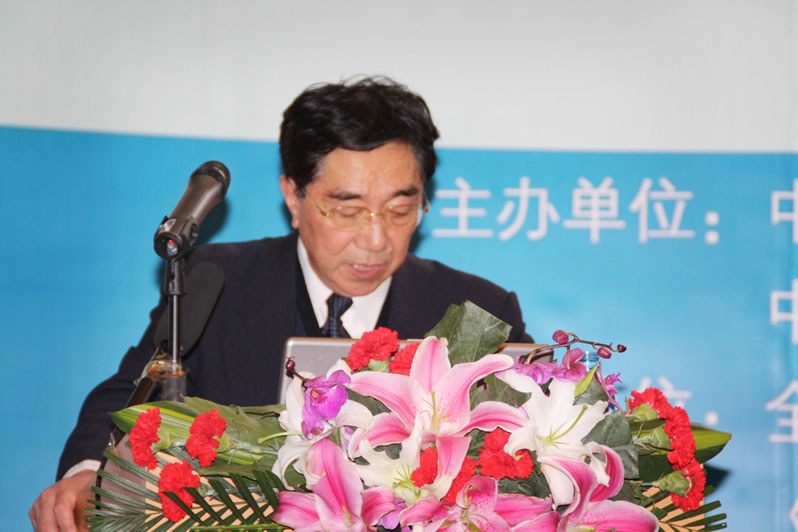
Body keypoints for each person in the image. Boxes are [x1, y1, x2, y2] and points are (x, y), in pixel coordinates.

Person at [29, 76, 532, 530]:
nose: (376, 239)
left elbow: (528, 451)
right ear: (293, 196)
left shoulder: (479, 313)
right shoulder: (216, 283)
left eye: (400, 210)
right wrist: (87, 472)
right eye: (348, 210)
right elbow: (132, 389)